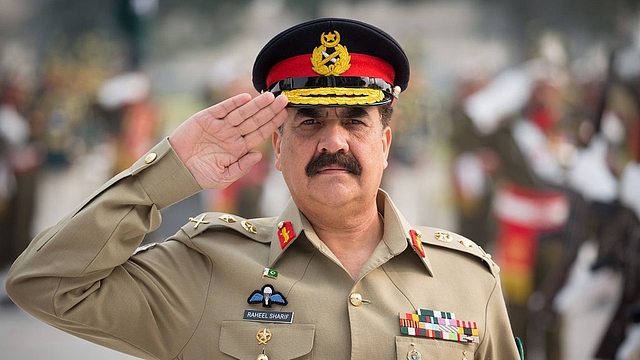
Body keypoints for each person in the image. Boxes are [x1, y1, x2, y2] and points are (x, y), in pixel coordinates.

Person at [5, 18, 522, 359]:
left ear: (385, 143)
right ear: (277, 148)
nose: (332, 141)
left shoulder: (467, 281)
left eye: (355, 122)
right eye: (309, 122)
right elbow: (43, 282)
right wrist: (169, 173)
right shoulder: (206, 268)